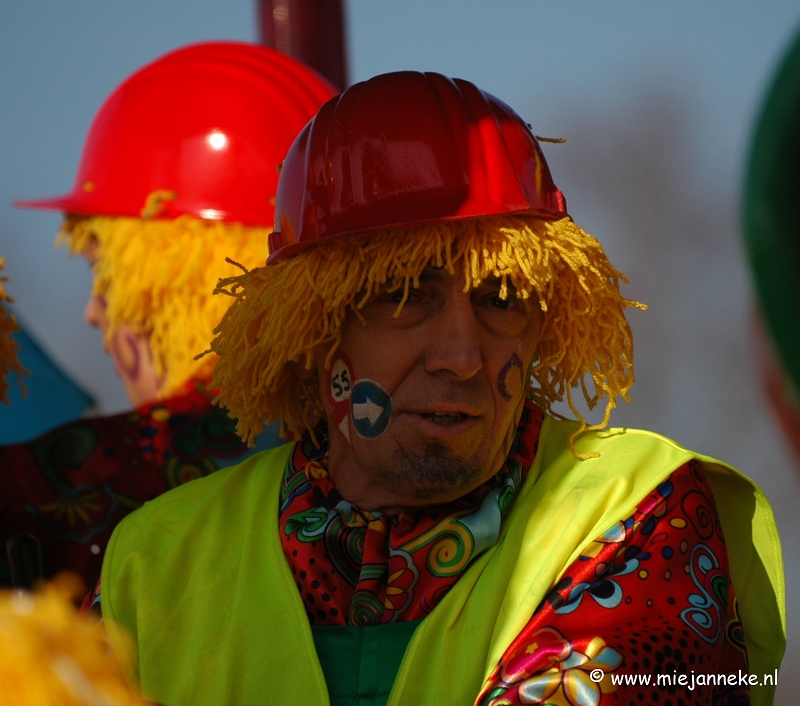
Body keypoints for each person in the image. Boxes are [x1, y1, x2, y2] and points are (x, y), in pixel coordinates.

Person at [99, 72, 784, 706]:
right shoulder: (154, 563)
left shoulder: (640, 509)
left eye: (503, 297)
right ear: (311, 329)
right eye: (402, 296)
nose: (462, 356)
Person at [0, 41, 336, 589]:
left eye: (104, 270)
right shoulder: (393, 439)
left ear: (173, 272)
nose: (91, 313)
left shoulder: (90, 479)